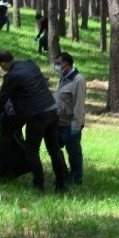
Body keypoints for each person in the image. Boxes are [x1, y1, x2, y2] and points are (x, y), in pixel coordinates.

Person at [0, 50, 69, 193]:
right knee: (54, 149)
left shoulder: (11, 76)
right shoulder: (30, 64)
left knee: (31, 151)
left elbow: (2, 98)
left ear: (3, 63)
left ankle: (38, 184)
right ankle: (62, 183)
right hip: (52, 110)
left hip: (37, 115)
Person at [54, 52, 86, 185]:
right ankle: (63, 174)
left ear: (66, 65)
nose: (56, 66)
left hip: (70, 124)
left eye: (58, 64)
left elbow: (79, 105)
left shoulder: (78, 80)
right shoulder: (64, 77)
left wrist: (76, 126)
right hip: (58, 122)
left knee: (73, 153)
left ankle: (76, 178)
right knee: (55, 149)